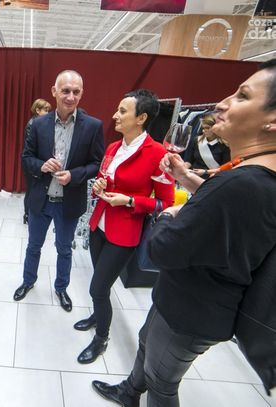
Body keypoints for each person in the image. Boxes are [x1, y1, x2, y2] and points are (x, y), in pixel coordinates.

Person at [91, 59, 276, 406]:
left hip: (191, 310)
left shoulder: (243, 184)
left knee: (162, 383)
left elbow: (161, 248)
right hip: (182, 297)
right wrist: (188, 179)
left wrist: (169, 213)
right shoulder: (248, 176)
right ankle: (129, 392)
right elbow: (222, 208)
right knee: (146, 342)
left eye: (242, 95)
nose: (222, 103)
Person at [75, 89, 175, 364]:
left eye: (122, 111)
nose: (114, 116)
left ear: (141, 118)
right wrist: (99, 185)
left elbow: (165, 204)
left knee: (97, 288)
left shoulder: (158, 154)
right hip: (99, 225)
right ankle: (98, 315)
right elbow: (104, 179)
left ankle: (101, 339)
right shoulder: (113, 148)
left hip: (124, 233)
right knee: (101, 284)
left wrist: (130, 200)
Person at [13, 70, 104, 312]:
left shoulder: (93, 126)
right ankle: (28, 281)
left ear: (82, 93)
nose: (71, 97)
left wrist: (74, 175)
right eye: (65, 91)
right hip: (41, 200)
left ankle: (61, 288)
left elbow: (97, 163)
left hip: (69, 202)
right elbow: (26, 158)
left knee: (64, 249)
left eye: (76, 92)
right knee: (34, 245)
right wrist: (41, 166)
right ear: (54, 92)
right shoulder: (38, 124)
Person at [22, 98, 52, 224]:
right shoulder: (33, 124)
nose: (48, 113)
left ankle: (30, 214)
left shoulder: (39, 123)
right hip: (32, 163)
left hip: (37, 162)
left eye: (48, 110)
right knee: (31, 190)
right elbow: (32, 149)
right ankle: (27, 214)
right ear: (37, 110)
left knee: (33, 190)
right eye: (45, 110)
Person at [184, 113, 230, 179]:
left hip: (213, 178)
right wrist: (183, 169)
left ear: (215, 127)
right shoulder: (197, 140)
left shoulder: (224, 145)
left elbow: (225, 168)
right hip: (193, 176)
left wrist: (205, 172)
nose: (203, 130)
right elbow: (189, 160)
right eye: (203, 128)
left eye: (207, 128)